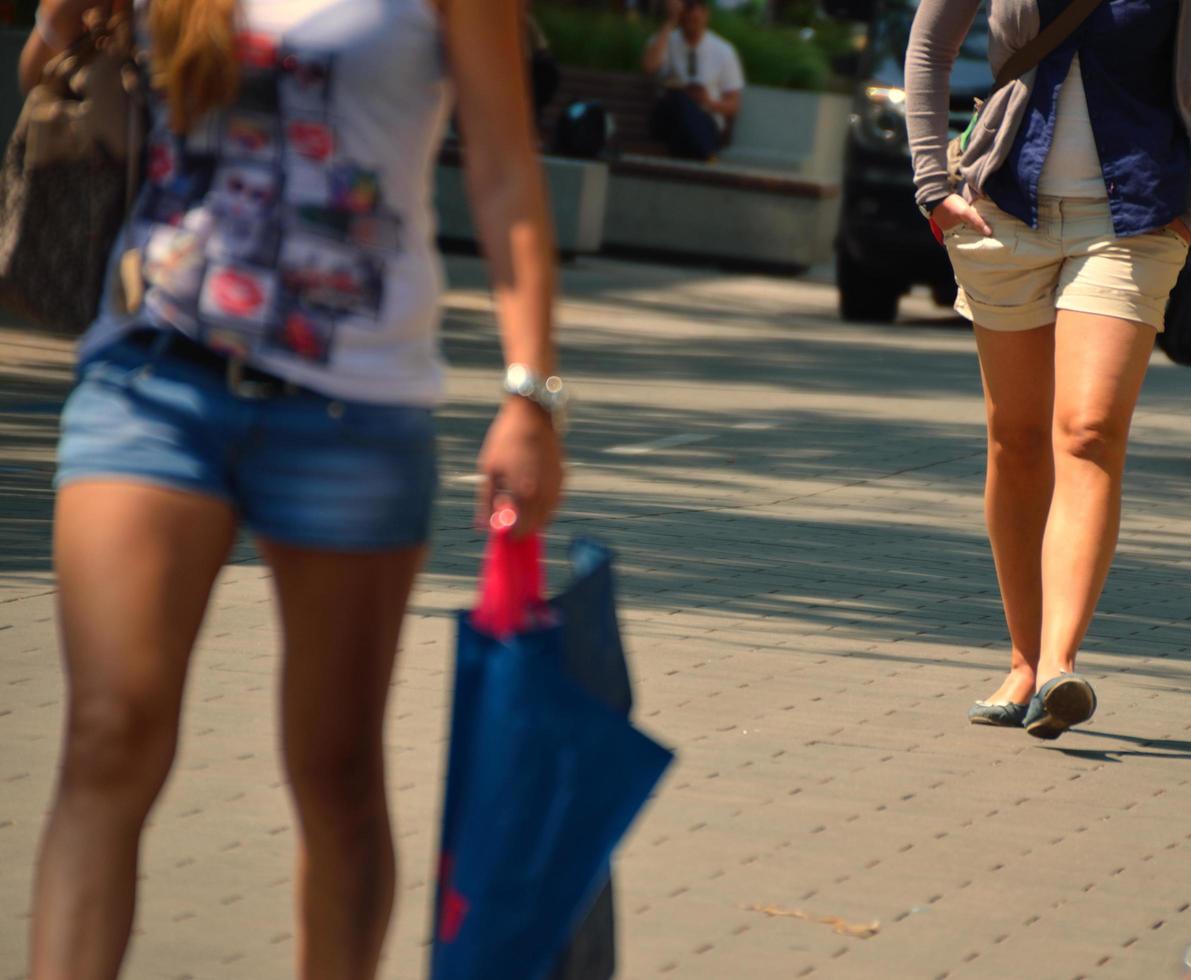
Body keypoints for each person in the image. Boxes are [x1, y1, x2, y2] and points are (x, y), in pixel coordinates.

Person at [21, 0, 564, 976]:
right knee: (108, 734)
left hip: (353, 407)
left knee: (336, 772)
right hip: (152, 374)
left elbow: (503, 166)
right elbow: (47, 68)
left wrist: (528, 390)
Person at [905, 0, 1191, 738]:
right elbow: (929, 49)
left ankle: (1059, 663)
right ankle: (1023, 662)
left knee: (1086, 431)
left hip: (1133, 220)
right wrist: (933, 185)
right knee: (1015, 440)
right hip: (1003, 211)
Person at [641, 0, 744, 160]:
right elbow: (650, 67)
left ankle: (698, 147)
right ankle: (705, 153)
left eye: (693, 11)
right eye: (685, 13)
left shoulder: (723, 50)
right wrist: (670, 21)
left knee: (688, 119)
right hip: (669, 119)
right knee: (678, 98)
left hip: (705, 121)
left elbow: (734, 105)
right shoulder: (664, 40)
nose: (690, 18)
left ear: (706, 13)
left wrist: (707, 102)